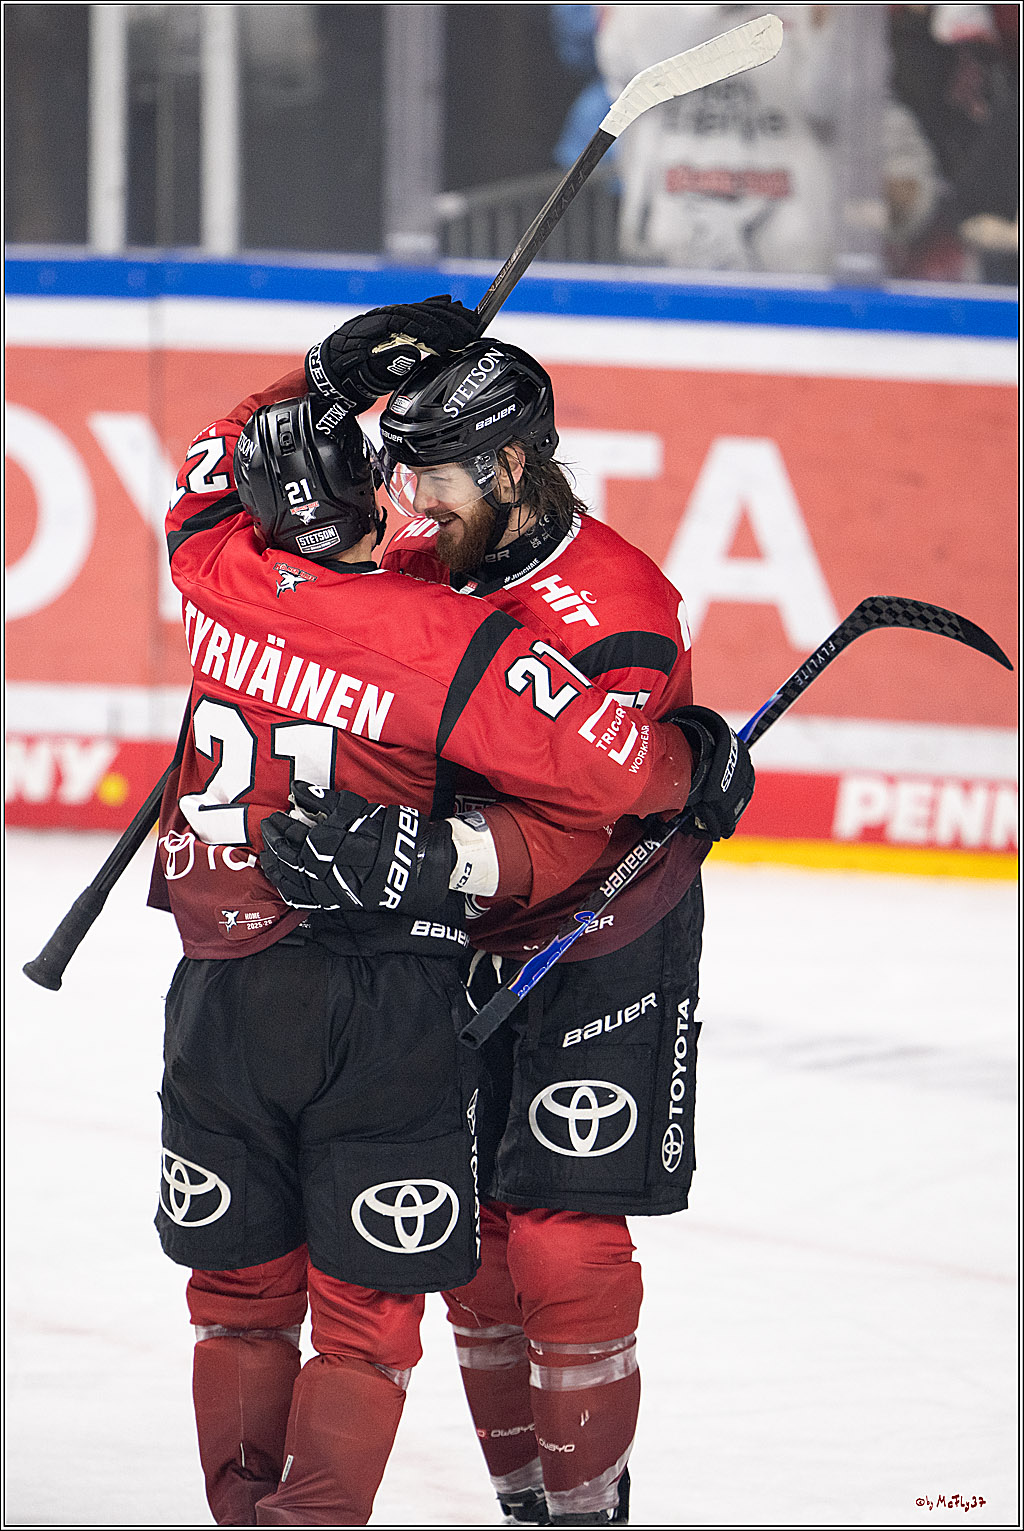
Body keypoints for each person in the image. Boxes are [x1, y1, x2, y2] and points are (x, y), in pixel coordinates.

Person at [150, 297, 752, 1527]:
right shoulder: (419, 590)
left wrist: (306, 377)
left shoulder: (613, 606)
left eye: (433, 478)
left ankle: (580, 1506)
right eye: (395, 474)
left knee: (557, 1244)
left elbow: (596, 821)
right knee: (455, 1246)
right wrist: (688, 762)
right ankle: (521, 1492)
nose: (410, 509)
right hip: (417, 948)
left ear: (514, 464)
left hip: (597, 927)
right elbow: (623, 764)